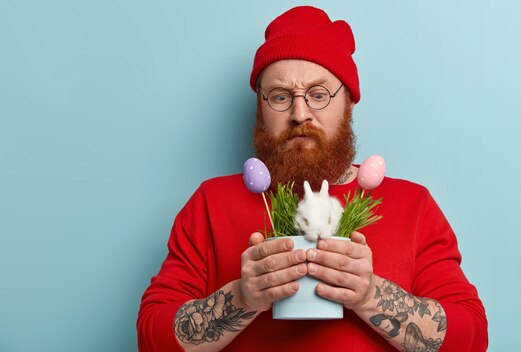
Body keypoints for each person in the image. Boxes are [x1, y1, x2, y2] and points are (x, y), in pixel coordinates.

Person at [137, 6, 488, 352]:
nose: (300, 113)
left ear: (349, 101)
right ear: (261, 106)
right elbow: (151, 339)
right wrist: (242, 297)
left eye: (319, 95)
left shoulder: (413, 205)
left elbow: (471, 339)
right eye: (280, 97)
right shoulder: (212, 203)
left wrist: (370, 294)